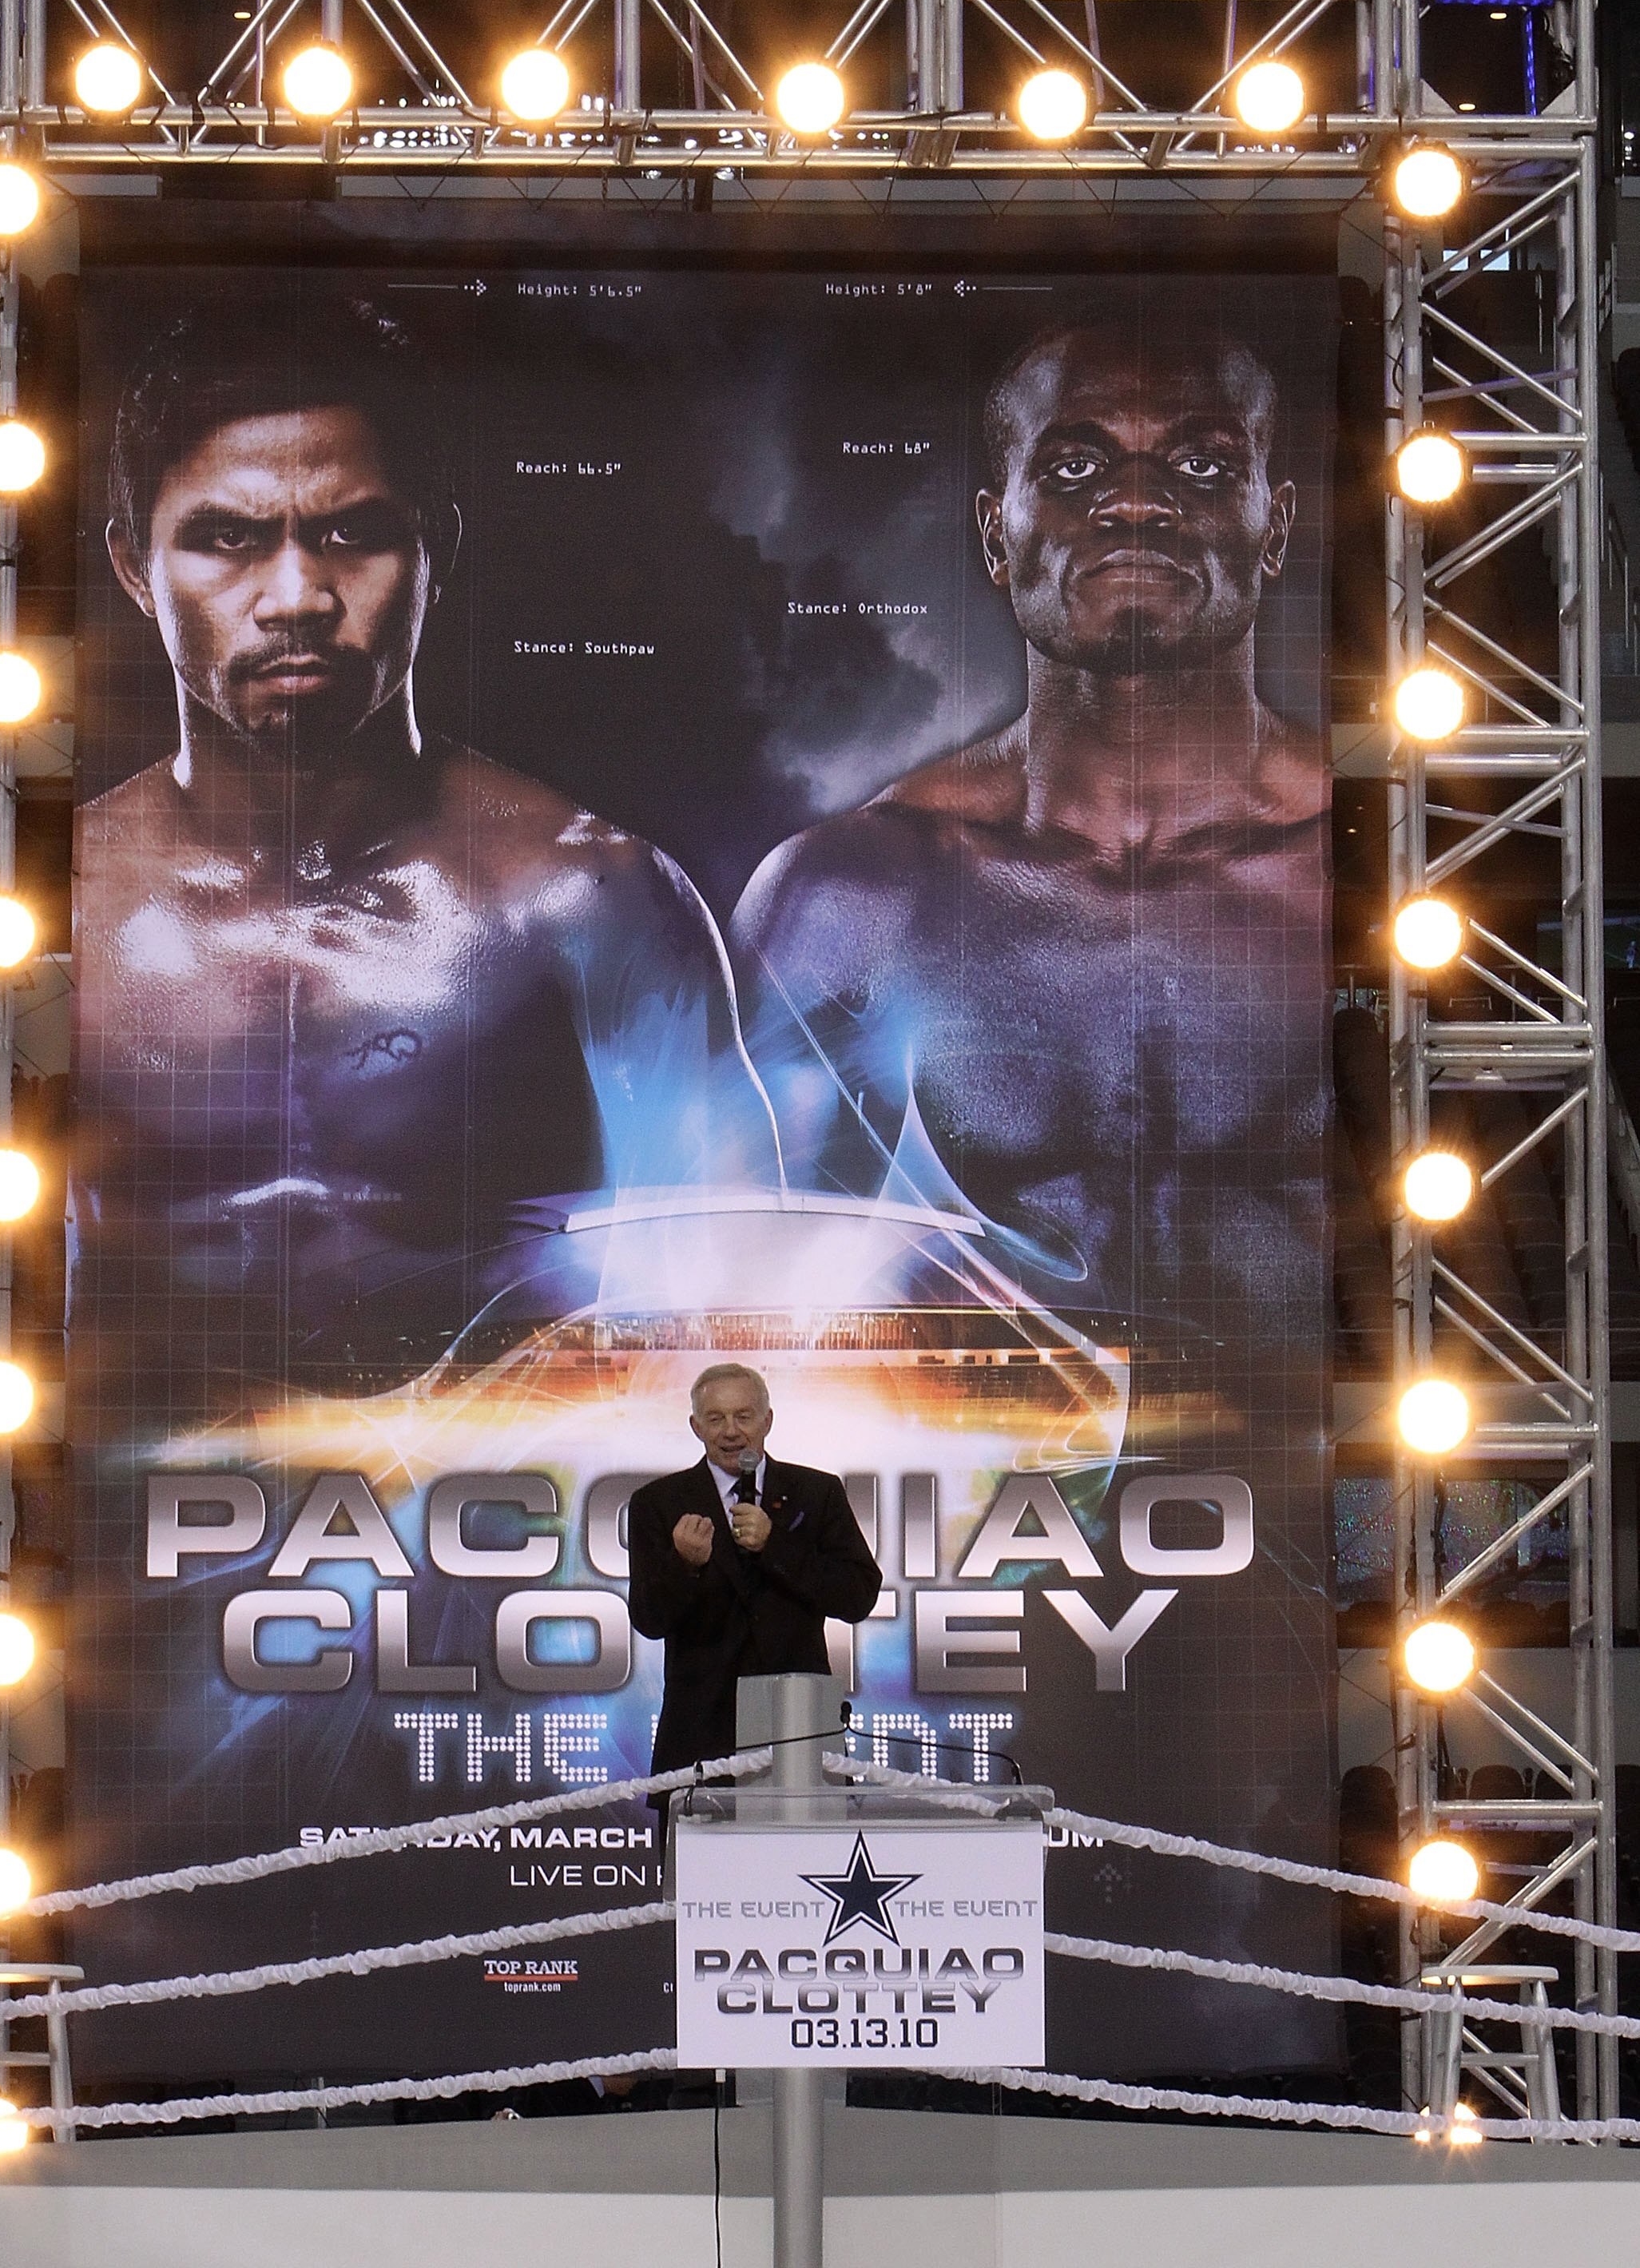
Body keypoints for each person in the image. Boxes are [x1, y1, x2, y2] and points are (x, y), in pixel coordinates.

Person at [72, 290, 780, 1375]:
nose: (298, 596)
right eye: (227, 540)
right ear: (135, 568)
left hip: (502, 1514)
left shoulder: (585, 894)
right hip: (142, 1511)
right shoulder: (65, 899)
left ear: (432, 550)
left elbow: (733, 1292)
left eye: (352, 534)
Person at [729, 316, 1328, 1327]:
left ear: (1271, 528)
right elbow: (742, 1268)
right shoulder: (856, 889)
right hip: (976, 1465)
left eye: (1199, 463)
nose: (1136, 501)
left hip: (1334, 1456)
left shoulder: (1379, 860)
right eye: (1073, 465)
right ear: (993, 533)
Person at [626, 1363, 881, 1776]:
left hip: (799, 1726)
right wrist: (685, 1565)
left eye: (743, 1417)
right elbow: (649, 1619)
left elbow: (858, 1595)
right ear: (696, 1426)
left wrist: (775, 1546)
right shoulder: (658, 1503)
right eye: (716, 1418)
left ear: (767, 1421)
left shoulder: (817, 1493)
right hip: (700, 1735)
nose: (730, 1431)